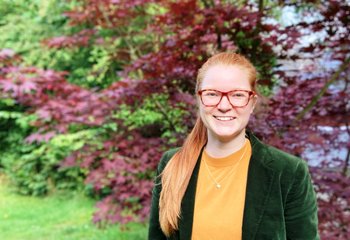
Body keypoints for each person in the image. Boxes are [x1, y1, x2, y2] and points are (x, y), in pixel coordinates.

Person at [148, 52, 319, 240]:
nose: (224, 105)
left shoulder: (288, 172)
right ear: (199, 99)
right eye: (212, 94)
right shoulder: (172, 163)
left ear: (252, 103)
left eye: (237, 95)